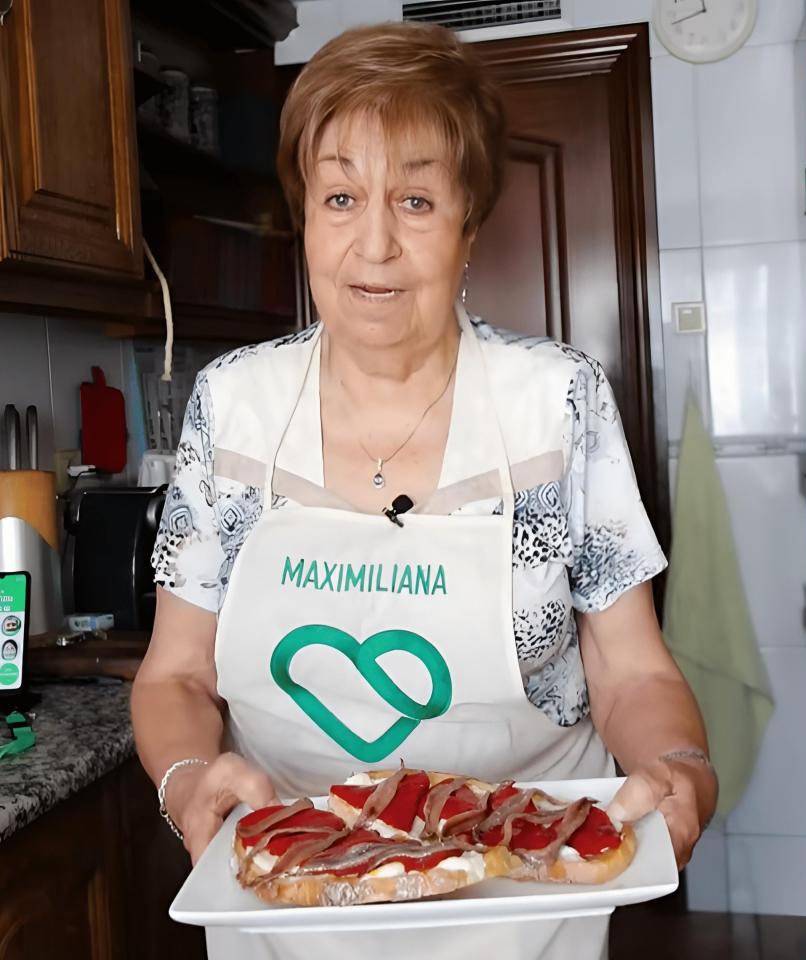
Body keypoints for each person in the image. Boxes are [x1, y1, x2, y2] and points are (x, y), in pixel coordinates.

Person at [130, 22, 715, 960]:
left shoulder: (558, 403)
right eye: (340, 196)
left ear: (468, 224)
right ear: (305, 218)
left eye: (414, 199)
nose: (375, 243)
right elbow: (177, 673)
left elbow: (631, 669)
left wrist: (679, 767)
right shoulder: (232, 407)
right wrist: (189, 777)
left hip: (529, 889)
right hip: (291, 890)